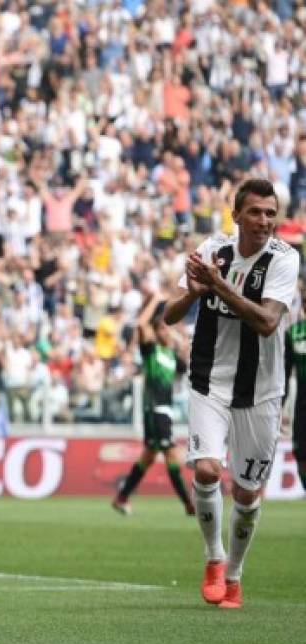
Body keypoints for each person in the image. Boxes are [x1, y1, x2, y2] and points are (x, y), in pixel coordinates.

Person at [163, 178, 299, 610]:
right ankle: (214, 560)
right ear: (236, 214)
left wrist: (218, 288)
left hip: (261, 390)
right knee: (205, 470)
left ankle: (236, 577)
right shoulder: (212, 251)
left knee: (245, 493)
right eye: (256, 212)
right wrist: (195, 293)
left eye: (271, 213)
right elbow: (170, 315)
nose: (264, 221)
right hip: (209, 381)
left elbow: (267, 322)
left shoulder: (284, 259)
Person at [112, 292, 194, 516]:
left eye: (169, 329)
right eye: (164, 329)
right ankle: (188, 502)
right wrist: (156, 299)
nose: (168, 332)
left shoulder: (172, 355)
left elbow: (185, 366)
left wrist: (182, 340)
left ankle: (121, 497)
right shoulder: (151, 351)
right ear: (157, 333)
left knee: (148, 456)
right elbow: (140, 324)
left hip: (165, 410)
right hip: (154, 409)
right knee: (170, 453)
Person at [283, 282, 306, 492]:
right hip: (302, 408)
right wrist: (279, 408)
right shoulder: (294, 333)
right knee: (301, 458)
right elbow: (284, 372)